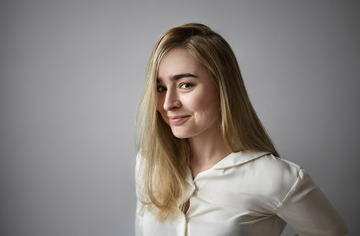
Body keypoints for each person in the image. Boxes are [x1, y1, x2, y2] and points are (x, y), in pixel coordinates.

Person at [135, 23, 348, 236]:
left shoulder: (274, 178)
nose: (167, 103)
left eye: (185, 85)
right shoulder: (149, 165)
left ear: (223, 86)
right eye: (161, 88)